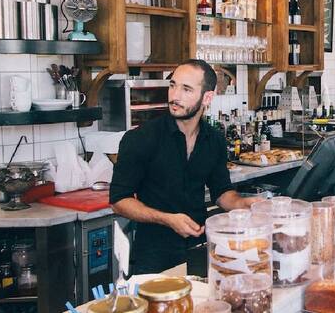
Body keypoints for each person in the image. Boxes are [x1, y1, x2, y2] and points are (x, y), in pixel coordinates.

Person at [109, 59, 259, 274]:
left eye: (186, 89)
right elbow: (118, 201)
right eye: (173, 85)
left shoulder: (214, 139)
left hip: (200, 249)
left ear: (207, 97)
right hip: (153, 256)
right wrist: (168, 219)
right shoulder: (140, 138)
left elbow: (222, 191)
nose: (175, 96)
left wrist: (243, 204)